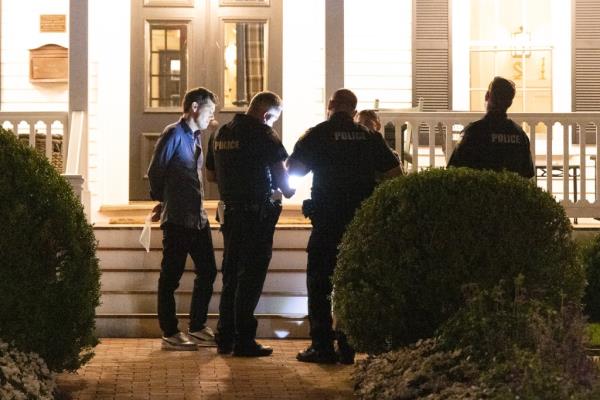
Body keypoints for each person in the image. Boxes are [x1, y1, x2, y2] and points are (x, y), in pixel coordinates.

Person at [287, 89, 403, 364]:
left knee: (320, 283)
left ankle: (322, 345)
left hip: (327, 219)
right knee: (352, 281)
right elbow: (394, 173)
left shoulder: (317, 134)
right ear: (353, 110)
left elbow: (294, 170)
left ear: (330, 106)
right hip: (358, 222)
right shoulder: (368, 136)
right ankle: (348, 343)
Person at [205, 91, 295, 357]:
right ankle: (245, 339)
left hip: (230, 212)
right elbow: (283, 179)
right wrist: (289, 189)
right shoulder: (264, 134)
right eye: (273, 119)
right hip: (257, 215)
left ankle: (225, 337)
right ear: (267, 114)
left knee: (231, 274)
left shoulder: (220, 133)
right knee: (251, 275)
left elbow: (211, 175)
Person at [147, 87, 218, 351]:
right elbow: (156, 170)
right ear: (195, 107)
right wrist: (161, 200)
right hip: (178, 218)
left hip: (198, 218)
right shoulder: (173, 133)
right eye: (210, 110)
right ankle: (170, 331)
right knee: (171, 277)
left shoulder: (196, 137)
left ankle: (197, 326)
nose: (212, 117)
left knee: (208, 271)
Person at [447, 76, 535, 178]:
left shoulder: (473, 133)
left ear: (487, 96)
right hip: (509, 193)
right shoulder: (520, 136)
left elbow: (453, 171)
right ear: (510, 103)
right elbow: (528, 173)